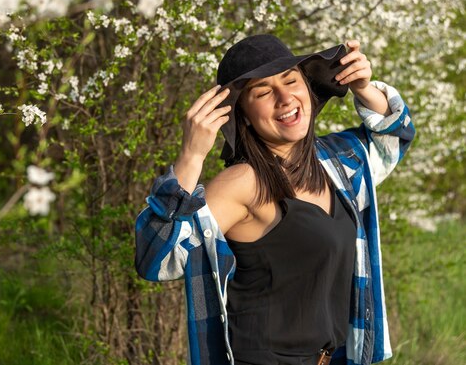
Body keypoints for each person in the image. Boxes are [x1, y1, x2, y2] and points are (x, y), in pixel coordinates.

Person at [134, 34, 415, 365]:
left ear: (308, 90)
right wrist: (191, 156)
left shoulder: (335, 162)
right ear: (244, 116)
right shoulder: (242, 185)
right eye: (263, 92)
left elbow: (393, 136)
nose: (285, 98)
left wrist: (364, 87)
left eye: (291, 80)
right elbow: (157, 259)